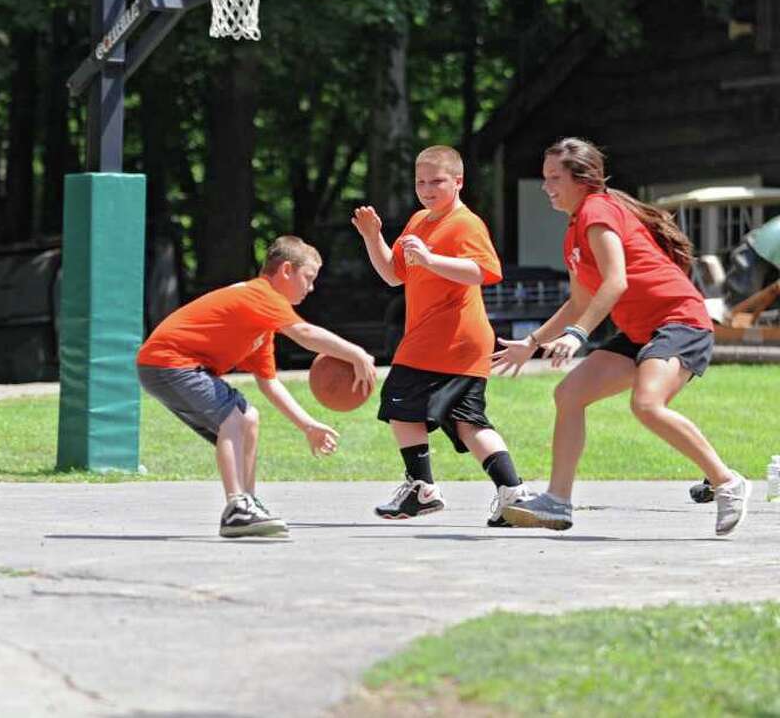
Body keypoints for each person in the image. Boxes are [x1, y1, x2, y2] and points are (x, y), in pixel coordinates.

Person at [492, 137, 750, 536]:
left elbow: (615, 282)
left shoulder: (598, 210)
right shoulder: (574, 229)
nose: (547, 187)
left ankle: (728, 483)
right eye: (545, 178)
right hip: (642, 330)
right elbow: (580, 301)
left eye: (554, 178)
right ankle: (558, 501)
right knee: (569, 394)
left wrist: (578, 335)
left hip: (680, 319)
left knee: (647, 404)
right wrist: (533, 342)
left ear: (583, 179)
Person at [137, 235, 377, 538]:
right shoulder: (260, 294)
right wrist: (355, 353)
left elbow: (270, 383)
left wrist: (308, 426)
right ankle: (236, 506)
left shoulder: (261, 326)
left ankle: (246, 504)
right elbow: (304, 332)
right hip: (169, 362)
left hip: (167, 366)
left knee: (248, 417)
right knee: (234, 419)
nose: (311, 288)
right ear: (286, 270)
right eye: (308, 278)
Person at [353, 145, 534, 525]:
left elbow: (484, 270)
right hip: (458, 342)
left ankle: (421, 488)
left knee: (398, 403)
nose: (427, 189)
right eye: (421, 181)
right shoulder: (419, 221)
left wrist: (433, 260)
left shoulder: (465, 223)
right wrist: (373, 236)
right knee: (468, 422)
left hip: (445, 337)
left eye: (437, 181)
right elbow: (393, 273)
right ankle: (513, 493)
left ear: (458, 181)